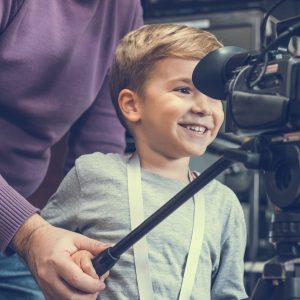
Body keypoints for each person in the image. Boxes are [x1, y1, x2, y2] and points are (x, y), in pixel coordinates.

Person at [39, 24, 248, 299]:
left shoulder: (225, 204)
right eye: (184, 90)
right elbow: (40, 259)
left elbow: (228, 293)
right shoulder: (92, 174)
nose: (203, 107)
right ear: (132, 105)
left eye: (214, 95)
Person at [0, 0, 143, 299]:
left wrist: (96, 249)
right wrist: (31, 234)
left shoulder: (124, 9)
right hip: (17, 226)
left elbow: (98, 146)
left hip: (10, 234)